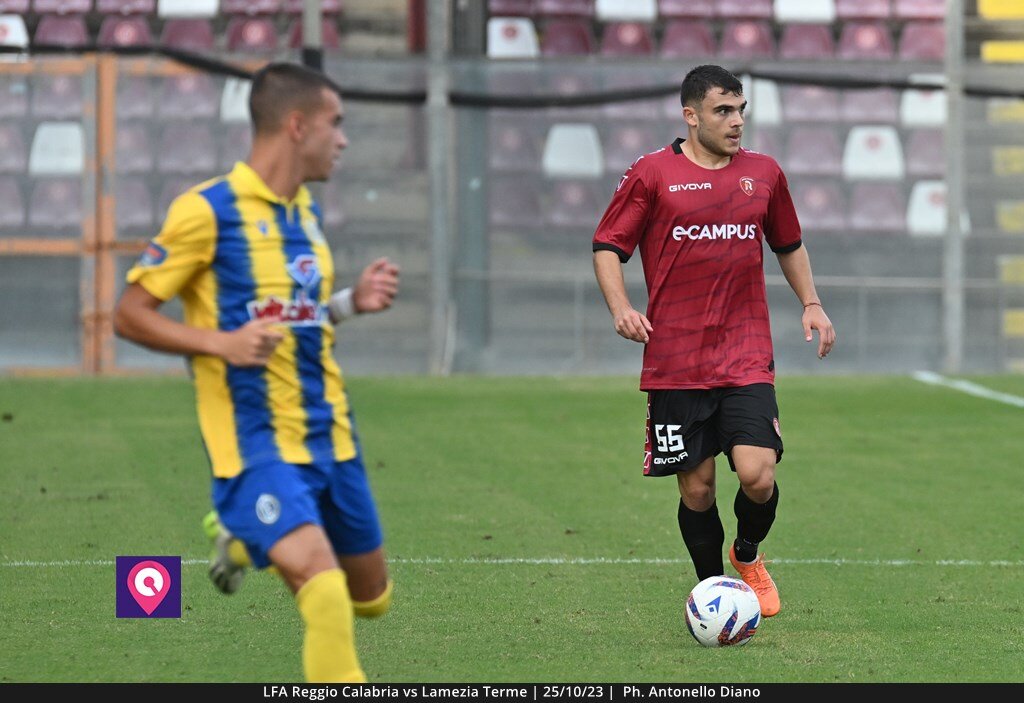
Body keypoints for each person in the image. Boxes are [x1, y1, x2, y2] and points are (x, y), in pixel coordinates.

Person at [114, 62, 400, 682]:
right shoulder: (206, 211)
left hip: (332, 431)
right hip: (254, 442)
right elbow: (128, 315)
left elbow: (296, 316)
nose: (344, 139)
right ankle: (248, 516)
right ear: (297, 126)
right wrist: (220, 343)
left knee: (371, 599)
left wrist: (350, 304)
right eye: (336, 123)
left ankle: (241, 538)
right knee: (324, 595)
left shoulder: (306, 215)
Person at [591, 65, 835, 618]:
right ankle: (715, 593)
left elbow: (789, 243)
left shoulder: (764, 174)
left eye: (741, 109)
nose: (737, 121)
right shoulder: (651, 174)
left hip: (746, 353)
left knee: (757, 473)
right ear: (691, 115)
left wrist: (812, 304)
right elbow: (608, 245)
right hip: (676, 359)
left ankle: (746, 553)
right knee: (697, 491)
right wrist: (621, 308)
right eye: (724, 111)